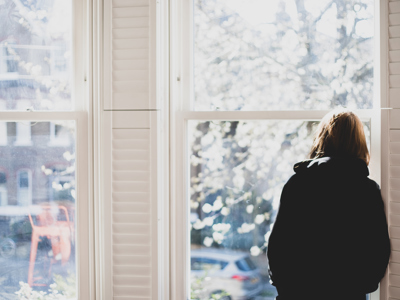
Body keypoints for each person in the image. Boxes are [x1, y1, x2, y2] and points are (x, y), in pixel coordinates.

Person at [267, 110, 391, 300]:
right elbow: (378, 248)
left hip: (297, 292)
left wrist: (285, 288)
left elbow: (278, 245)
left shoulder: (297, 183)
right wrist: (362, 286)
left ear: (322, 139)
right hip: (347, 293)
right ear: (359, 142)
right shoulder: (367, 189)